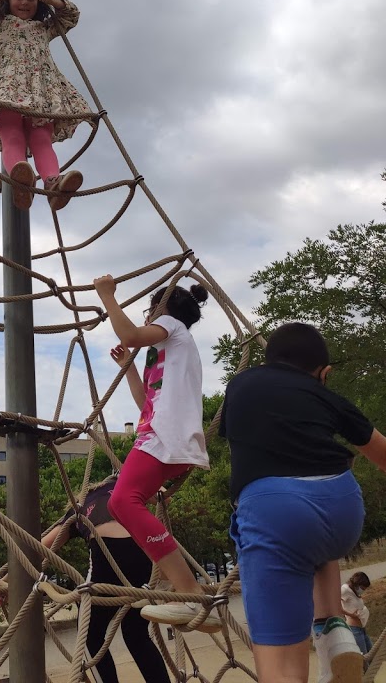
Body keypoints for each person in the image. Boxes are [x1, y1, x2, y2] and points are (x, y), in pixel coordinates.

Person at [219, 322, 386, 683]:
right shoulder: (326, 396)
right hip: (342, 505)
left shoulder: (240, 385)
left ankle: (323, 637)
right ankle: (333, 629)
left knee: (281, 670)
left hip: (276, 512)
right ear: (324, 374)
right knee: (316, 538)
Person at [93, 277, 220, 632]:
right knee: (124, 504)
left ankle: (190, 591)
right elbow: (145, 403)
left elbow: (131, 335)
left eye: (149, 310)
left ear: (160, 310)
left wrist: (107, 296)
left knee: (123, 502)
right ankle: (184, 590)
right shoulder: (168, 351)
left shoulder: (171, 326)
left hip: (164, 436)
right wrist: (129, 368)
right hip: (165, 434)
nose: (147, 316)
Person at [0, 0, 90, 211]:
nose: (24, 2)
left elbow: (72, 14)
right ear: (8, 0)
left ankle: (53, 185)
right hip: (6, 90)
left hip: (40, 93)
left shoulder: (44, 28)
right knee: (11, 136)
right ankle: (21, 181)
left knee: (41, 139)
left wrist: (52, 0)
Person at [44, 479, 171, 683]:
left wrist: (6, 578)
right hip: (142, 550)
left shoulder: (78, 509)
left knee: (89, 635)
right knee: (136, 634)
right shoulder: (125, 484)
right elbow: (164, 495)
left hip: (108, 554)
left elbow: (41, 546)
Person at [341, 572, 372, 655]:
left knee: (372, 654)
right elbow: (334, 604)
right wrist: (351, 615)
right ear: (357, 584)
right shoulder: (345, 589)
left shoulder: (355, 592)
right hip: (354, 629)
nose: (363, 591)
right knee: (363, 659)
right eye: (362, 588)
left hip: (362, 629)